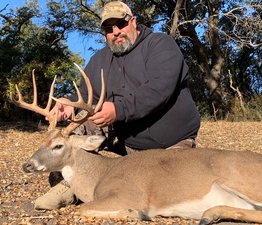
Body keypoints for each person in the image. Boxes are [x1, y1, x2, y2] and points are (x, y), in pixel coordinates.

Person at [34, 1, 201, 210]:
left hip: (169, 144)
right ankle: (67, 186)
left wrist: (118, 110)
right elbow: (87, 94)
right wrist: (68, 105)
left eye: (120, 24)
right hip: (126, 141)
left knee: (173, 192)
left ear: (133, 22)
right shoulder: (99, 60)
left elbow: (160, 88)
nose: (116, 32)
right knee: (75, 131)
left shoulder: (160, 45)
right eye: (108, 28)